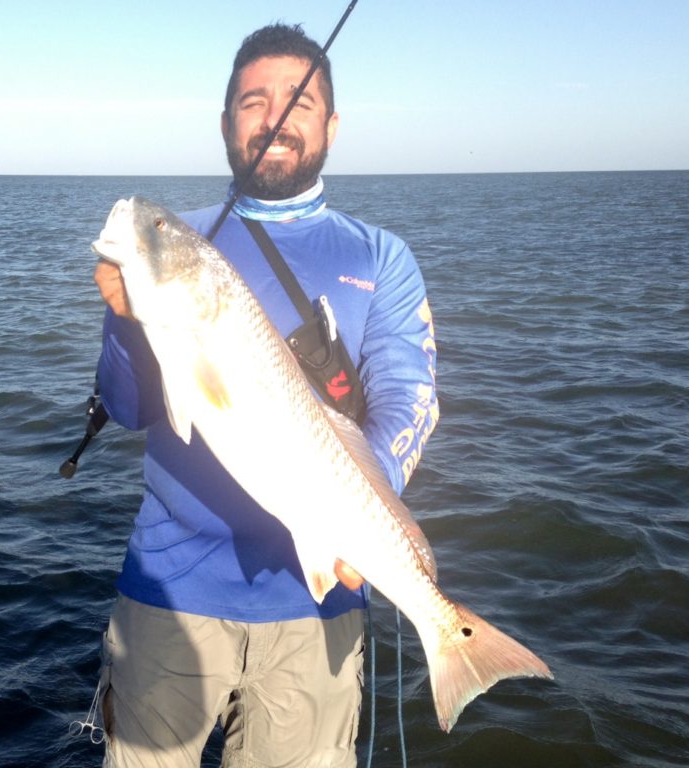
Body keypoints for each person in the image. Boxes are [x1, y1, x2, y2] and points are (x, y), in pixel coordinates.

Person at [91, 22, 438, 768]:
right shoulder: (183, 250)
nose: (276, 117)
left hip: (318, 603)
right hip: (168, 587)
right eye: (254, 101)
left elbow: (412, 402)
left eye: (300, 101)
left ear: (333, 127)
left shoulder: (381, 257)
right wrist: (125, 321)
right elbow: (126, 407)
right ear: (225, 124)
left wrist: (359, 521)